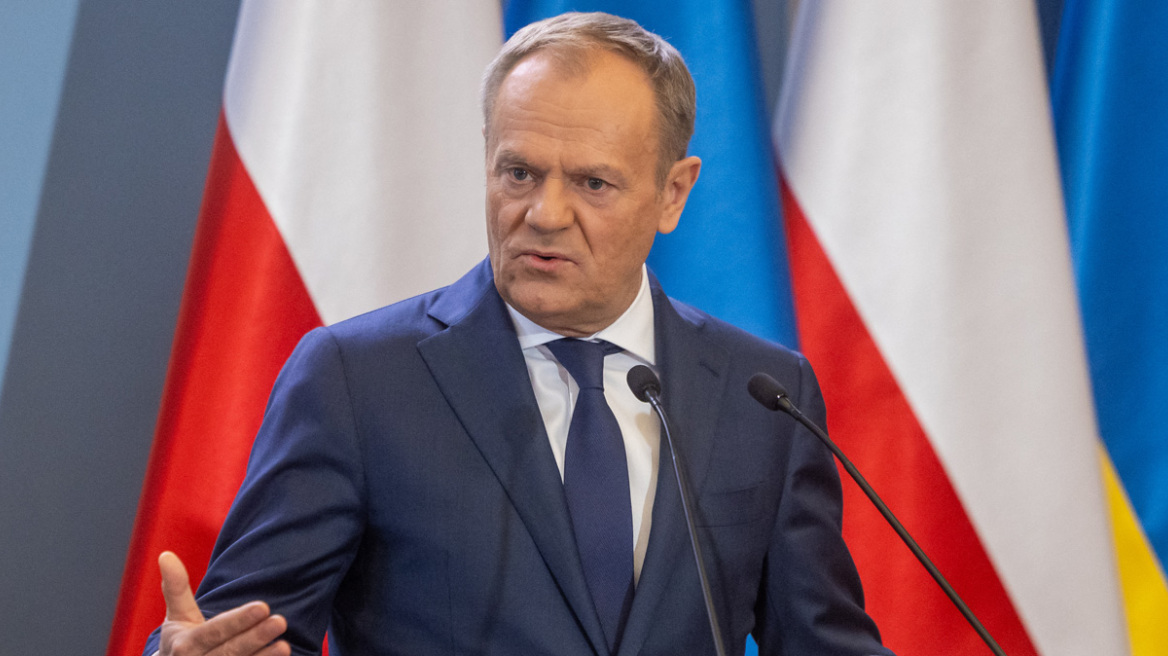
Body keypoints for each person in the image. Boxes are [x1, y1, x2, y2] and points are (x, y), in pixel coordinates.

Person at [144, 12, 892, 656]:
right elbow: (240, 630)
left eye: (593, 183)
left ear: (673, 193)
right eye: (520, 173)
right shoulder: (357, 380)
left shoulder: (764, 397)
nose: (545, 214)